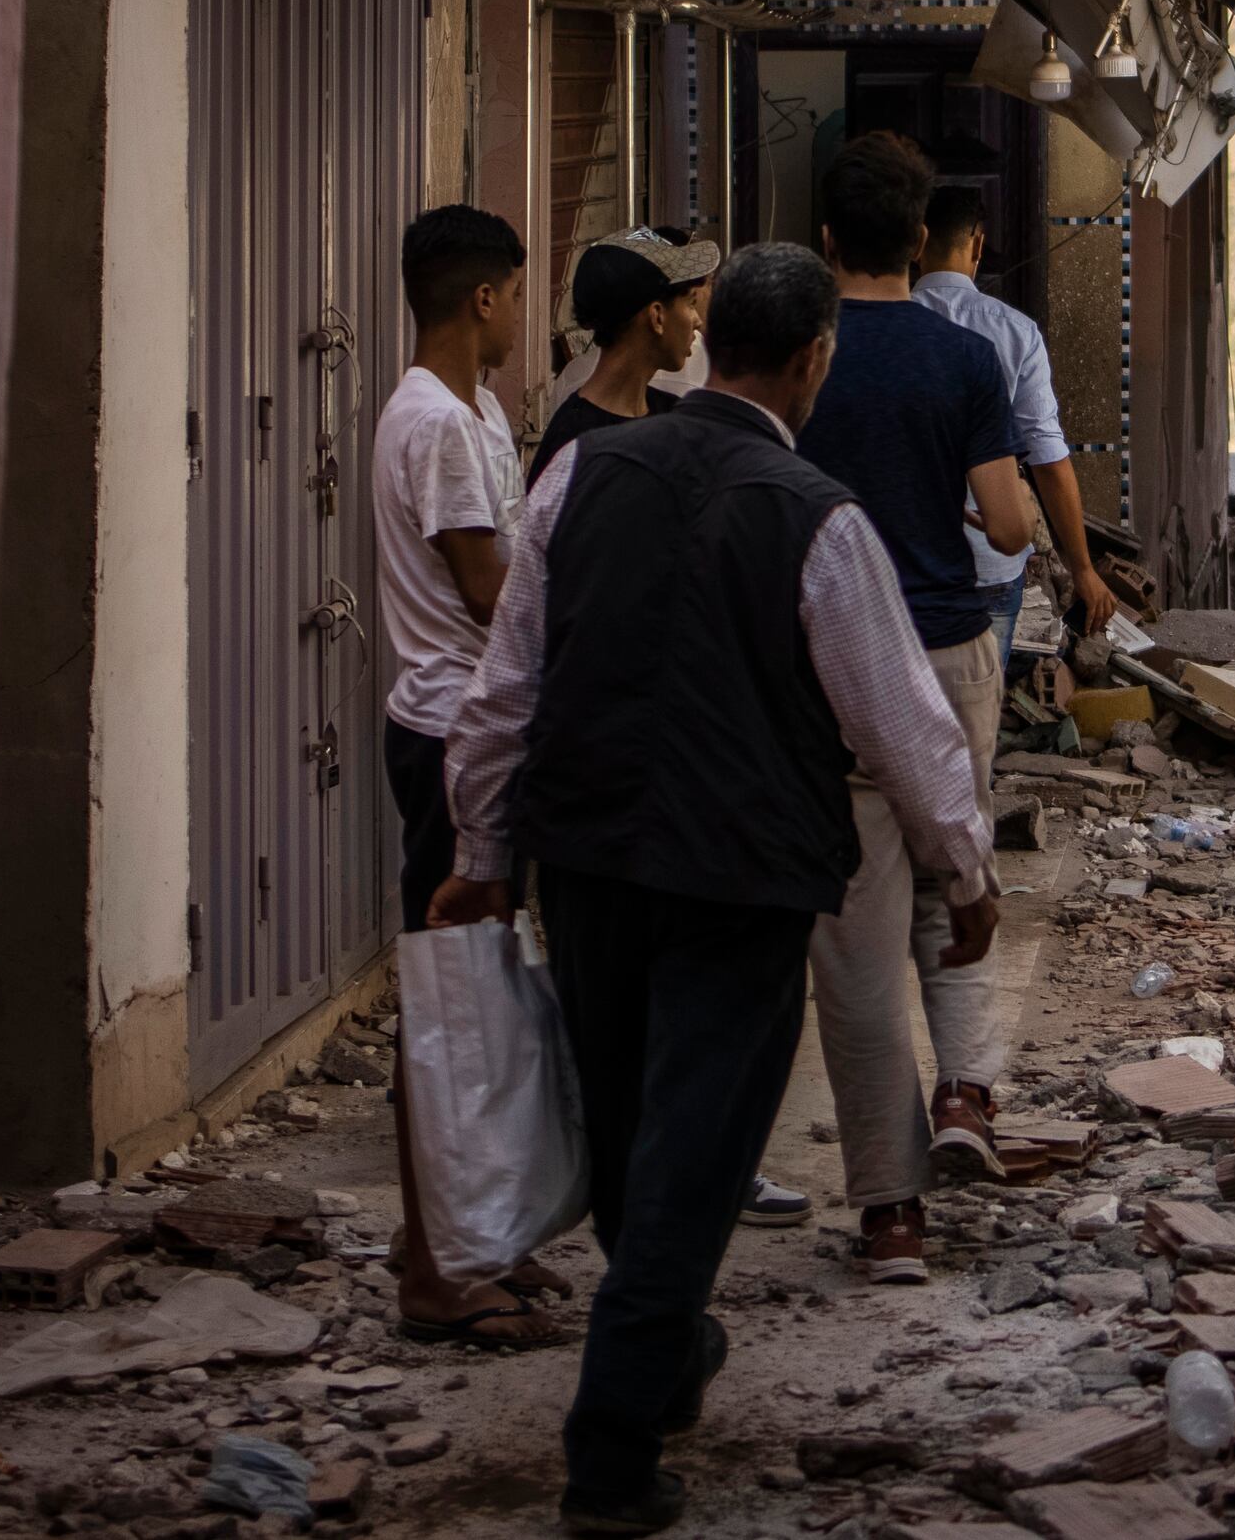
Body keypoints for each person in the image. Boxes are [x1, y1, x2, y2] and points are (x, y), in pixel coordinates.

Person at [437, 245, 998, 1536]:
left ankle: (667, 1348)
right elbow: (904, 723)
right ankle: (611, 1447)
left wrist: (481, 856)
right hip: (740, 871)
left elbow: (505, 687)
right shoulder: (817, 518)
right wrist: (961, 868)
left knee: (635, 1120)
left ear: (707, 345)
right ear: (811, 359)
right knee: (693, 1144)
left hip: (586, 856)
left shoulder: (581, 472)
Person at [789, 134, 1037, 1281]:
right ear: (924, 240)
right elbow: (1007, 524)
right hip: (944, 646)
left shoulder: (795, 362)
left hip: (823, 667)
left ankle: (889, 1210)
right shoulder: (962, 359)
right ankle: (967, 1093)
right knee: (957, 869)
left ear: (827, 239)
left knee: (854, 935)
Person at [530, 224, 812, 1228]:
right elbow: (533, 641)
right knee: (639, 1021)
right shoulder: (571, 452)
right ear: (652, 314)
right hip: (612, 777)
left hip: (676, 767)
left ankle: (676, 1197)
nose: (699, 318)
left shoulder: (658, 420)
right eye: (688, 300)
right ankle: (651, 1225)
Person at [366, 202, 564, 1347]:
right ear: (483, 297)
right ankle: (437, 1265)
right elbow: (490, 588)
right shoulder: (436, 420)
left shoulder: (471, 407)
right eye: (514, 294)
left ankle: (456, 1227)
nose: (519, 317)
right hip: (448, 729)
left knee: (477, 992)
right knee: (445, 1002)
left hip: (467, 724)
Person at [914, 173, 1117, 644]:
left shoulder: (881, 327)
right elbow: (1047, 458)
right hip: (988, 565)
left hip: (900, 562)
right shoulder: (1014, 333)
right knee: (982, 708)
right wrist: (1082, 568)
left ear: (915, 243)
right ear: (978, 246)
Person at [534, 227, 716, 485]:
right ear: (657, 317)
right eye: (688, 303)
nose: (696, 321)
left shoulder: (674, 418)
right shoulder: (575, 448)